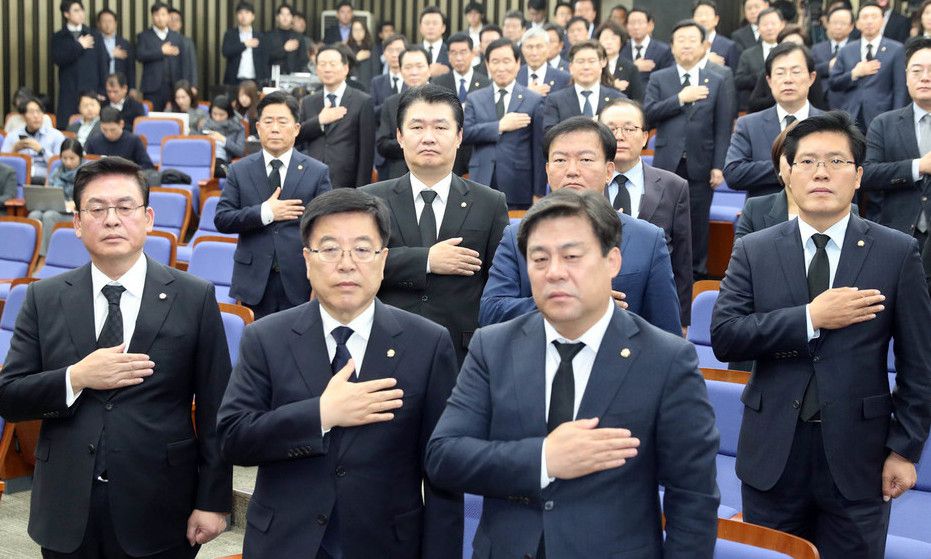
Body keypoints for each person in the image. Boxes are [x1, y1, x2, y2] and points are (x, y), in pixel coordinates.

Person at [427, 187, 719, 557]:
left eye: (572, 256)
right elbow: (444, 457)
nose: (555, 273)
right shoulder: (493, 346)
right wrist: (545, 459)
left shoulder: (666, 359)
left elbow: (693, 500)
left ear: (612, 261)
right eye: (539, 259)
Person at [711, 110, 931, 559]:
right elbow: (726, 336)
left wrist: (905, 449)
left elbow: (920, 364)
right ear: (786, 174)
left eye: (836, 162)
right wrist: (810, 317)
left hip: (860, 456)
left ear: (858, 176)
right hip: (773, 451)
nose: (821, 173)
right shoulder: (755, 248)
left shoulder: (896, 251)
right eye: (807, 162)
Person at [0, 156, 232, 558]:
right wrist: (76, 376)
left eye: (125, 207)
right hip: (66, 508)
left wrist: (214, 500)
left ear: (148, 218)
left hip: (160, 504)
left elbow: (217, 411)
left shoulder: (194, 297)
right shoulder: (44, 297)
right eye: (97, 208)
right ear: (76, 223)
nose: (111, 220)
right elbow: (10, 396)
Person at [217, 188, 462, 557]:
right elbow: (234, 438)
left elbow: (443, 469)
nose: (346, 264)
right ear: (307, 260)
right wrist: (320, 415)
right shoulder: (265, 336)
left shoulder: (427, 343)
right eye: (329, 249)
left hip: (386, 544)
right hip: (285, 543)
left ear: (382, 260)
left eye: (362, 249)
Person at [480, 116, 682, 335]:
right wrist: (560, 303)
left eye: (585, 160)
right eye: (560, 160)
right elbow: (491, 313)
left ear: (609, 171)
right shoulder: (516, 235)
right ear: (547, 170)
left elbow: (667, 332)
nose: (572, 170)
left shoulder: (647, 239)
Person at [363, 84, 509, 365]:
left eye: (440, 128)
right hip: (384, 345)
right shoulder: (369, 199)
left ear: (459, 137)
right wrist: (426, 260)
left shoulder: (490, 202)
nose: (428, 137)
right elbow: (360, 264)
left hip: (462, 352)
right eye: (417, 127)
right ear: (399, 137)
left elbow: (499, 283)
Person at [215, 91, 332, 319]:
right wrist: (265, 212)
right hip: (254, 279)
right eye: (268, 122)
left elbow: (326, 228)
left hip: (300, 277)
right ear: (258, 128)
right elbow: (223, 219)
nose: (275, 128)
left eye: (282, 121)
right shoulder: (239, 170)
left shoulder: (317, 171)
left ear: (296, 128)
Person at [644, 19, 735, 281]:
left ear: (704, 46)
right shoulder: (660, 78)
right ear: (671, 47)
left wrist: (719, 165)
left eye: (691, 40)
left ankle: (697, 276)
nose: (685, 45)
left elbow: (722, 128)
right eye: (680, 40)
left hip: (701, 164)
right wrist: (680, 99)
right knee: (661, 220)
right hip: (666, 164)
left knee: (697, 225)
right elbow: (648, 115)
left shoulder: (717, 80)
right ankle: (661, 274)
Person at [600, 99, 692, 333]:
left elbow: (682, 260)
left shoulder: (674, 186)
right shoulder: (582, 186)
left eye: (629, 129)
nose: (619, 136)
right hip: (594, 308)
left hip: (652, 309)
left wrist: (682, 320)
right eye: (611, 129)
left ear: (645, 137)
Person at [863, 37, 931, 288]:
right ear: (906, 76)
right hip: (897, 237)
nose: (925, 77)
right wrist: (918, 167)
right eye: (917, 70)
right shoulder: (884, 123)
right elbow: (867, 174)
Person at [725, 42, 824, 198]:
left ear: (811, 78)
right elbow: (733, 173)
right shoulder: (749, 125)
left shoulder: (831, 125)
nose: (788, 79)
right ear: (769, 81)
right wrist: (784, 167)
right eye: (780, 73)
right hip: (765, 219)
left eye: (796, 72)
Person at [463, 38, 546, 209]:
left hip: (519, 183)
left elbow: (539, 150)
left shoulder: (534, 100)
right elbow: (464, 133)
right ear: (487, 64)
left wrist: (538, 192)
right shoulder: (475, 98)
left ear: (517, 63)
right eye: (495, 61)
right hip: (481, 180)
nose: (501, 68)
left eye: (506, 61)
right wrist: (499, 126)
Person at [297, 45, 375, 189]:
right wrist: (319, 121)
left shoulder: (362, 101)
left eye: (332, 64)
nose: (327, 69)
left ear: (345, 68)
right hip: (311, 180)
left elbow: (366, 152)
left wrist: (362, 190)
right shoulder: (309, 101)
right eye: (322, 64)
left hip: (346, 182)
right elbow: (296, 136)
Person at [829, 1, 907, 133]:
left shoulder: (896, 49)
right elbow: (834, 83)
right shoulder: (847, 50)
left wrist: (897, 118)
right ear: (857, 23)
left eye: (874, 16)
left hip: (882, 115)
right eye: (865, 17)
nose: (869, 21)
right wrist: (854, 74)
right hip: (851, 116)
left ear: (882, 21)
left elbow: (900, 89)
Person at [431, 32, 491, 176]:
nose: (458, 58)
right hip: (448, 150)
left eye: (463, 52)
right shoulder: (438, 82)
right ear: (448, 56)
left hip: (476, 149)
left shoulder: (486, 83)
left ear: (472, 54)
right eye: (454, 53)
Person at [542, 40, 625, 132]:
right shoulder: (555, 100)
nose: (586, 67)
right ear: (571, 67)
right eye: (580, 61)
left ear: (603, 63)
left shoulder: (618, 99)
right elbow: (550, 134)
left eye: (591, 61)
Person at [376, 46, 431, 180]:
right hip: (398, 175)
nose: (414, 72)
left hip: (435, 173)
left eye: (419, 66)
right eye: (408, 67)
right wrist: (414, 141)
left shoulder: (445, 100)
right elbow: (382, 145)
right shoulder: (391, 103)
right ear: (400, 71)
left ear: (429, 69)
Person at [52, 1, 108, 130]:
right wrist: (79, 46)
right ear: (66, 14)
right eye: (76, 11)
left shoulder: (94, 34)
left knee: (93, 129)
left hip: (91, 92)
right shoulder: (59, 37)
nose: (81, 14)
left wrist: (101, 90)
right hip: (69, 92)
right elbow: (58, 59)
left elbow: (103, 62)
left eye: (82, 10)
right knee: (67, 128)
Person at [30, 138, 82, 255]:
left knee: (49, 216)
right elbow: (47, 192)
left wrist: (75, 203)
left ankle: (45, 256)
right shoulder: (57, 171)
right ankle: (31, 254)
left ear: (80, 157)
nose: (68, 162)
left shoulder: (86, 173)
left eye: (72, 158)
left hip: (75, 214)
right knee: (35, 214)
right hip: (55, 208)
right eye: (64, 158)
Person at [136, 2, 188, 112]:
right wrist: (161, 51)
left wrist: (184, 84)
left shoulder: (177, 37)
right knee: (153, 117)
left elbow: (183, 62)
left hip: (174, 87)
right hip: (152, 88)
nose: (160, 18)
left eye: (163, 15)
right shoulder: (144, 36)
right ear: (152, 17)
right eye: (156, 15)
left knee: (174, 116)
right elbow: (140, 55)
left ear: (169, 16)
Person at [1, 97, 66, 184]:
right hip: (18, 178)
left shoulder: (56, 136)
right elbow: (2, 163)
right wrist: (14, 150)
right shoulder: (13, 135)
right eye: (31, 112)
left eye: (39, 112)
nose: (36, 116)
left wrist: (41, 150)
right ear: (23, 116)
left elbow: (60, 164)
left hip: (46, 178)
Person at [736, 7, 785, 112]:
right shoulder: (748, 54)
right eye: (765, 24)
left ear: (782, 25)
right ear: (758, 28)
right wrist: (762, 76)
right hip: (756, 108)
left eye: (773, 23)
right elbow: (739, 81)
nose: (769, 28)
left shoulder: (789, 52)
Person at [811, 5, 855, 104]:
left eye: (843, 23)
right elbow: (811, 69)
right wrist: (829, 66)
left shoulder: (856, 47)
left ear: (851, 26)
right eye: (835, 22)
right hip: (821, 100)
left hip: (847, 99)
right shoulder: (817, 48)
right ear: (828, 24)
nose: (838, 26)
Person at [85, 107, 154, 169]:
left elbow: (147, 165)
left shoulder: (133, 140)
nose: (109, 134)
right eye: (104, 129)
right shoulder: (93, 141)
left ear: (121, 124)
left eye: (113, 130)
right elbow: (88, 166)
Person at [596, 21, 645, 102]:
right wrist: (613, 86)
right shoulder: (592, 65)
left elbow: (638, 99)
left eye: (613, 38)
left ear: (621, 42)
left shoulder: (630, 68)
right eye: (605, 38)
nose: (609, 42)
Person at [622, 8, 674, 84]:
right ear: (626, 26)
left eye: (640, 22)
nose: (636, 27)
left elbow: (667, 78)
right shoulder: (621, 49)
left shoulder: (663, 50)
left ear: (650, 25)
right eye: (632, 23)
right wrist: (634, 67)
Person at [222, 1, 268, 86]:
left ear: (253, 16)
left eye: (247, 13)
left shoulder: (259, 36)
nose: (243, 16)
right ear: (236, 15)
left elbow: (264, 60)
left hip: (255, 80)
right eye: (240, 13)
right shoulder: (230, 34)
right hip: (235, 80)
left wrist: (265, 80)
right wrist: (245, 44)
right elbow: (225, 52)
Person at [200, 95, 245, 178]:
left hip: (222, 160)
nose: (217, 118)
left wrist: (223, 140)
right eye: (214, 114)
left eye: (221, 115)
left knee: (215, 168)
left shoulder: (237, 127)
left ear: (229, 113)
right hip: (203, 158)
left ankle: (227, 171)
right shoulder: (205, 124)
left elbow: (240, 151)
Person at [519, 27, 572, 96]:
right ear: (522, 49)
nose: (534, 53)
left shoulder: (564, 78)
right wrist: (528, 94)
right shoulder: (514, 75)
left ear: (547, 48)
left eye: (539, 47)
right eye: (529, 47)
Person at [369, 33, 407, 121]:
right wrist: (391, 104)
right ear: (384, 54)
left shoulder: (413, 80)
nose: (394, 55)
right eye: (390, 50)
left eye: (399, 50)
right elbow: (371, 111)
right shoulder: (376, 82)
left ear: (406, 52)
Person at [96, 8, 135, 92]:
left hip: (120, 86)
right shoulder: (94, 43)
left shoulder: (124, 44)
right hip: (100, 86)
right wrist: (111, 54)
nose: (107, 24)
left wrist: (132, 88)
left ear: (115, 23)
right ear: (98, 24)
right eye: (104, 21)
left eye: (110, 21)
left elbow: (131, 68)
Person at [694, 0, 741, 69]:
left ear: (716, 20)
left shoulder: (728, 46)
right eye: (699, 14)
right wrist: (705, 60)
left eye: (707, 14)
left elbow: (732, 75)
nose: (703, 19)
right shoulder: (685, 44)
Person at [266, 4, 309, 75]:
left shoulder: (298, 37)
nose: (285, 17)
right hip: (274, 77)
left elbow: (303, 60)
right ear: (277, 17)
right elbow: (266, 57)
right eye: (282, 14)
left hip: (294, 78)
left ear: (292, 18)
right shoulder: (269, 36)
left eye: (288, 15)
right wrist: (284, 49)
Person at [167, 8, 198, 91]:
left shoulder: (187, 41)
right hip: (164, 86)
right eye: (171, 19)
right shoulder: (160, 41)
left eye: (177, 20)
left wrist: (194, 85)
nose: (174, 22)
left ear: (181, 24)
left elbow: (192, 64)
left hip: (183, 85)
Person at [347, 20, 380, 90]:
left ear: (365, 31)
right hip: (350, 87)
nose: (358, 32)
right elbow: (344, 70)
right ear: (351, 32)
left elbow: (376, 71)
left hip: (368, 87)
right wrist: (356, 59)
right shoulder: (347, 48)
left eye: (361, 29)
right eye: (355, 30)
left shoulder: (372, 47)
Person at [420, 6, 450, 77]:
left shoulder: (451, 51)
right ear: (420, 28)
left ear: (443, 28)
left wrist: (448, 71)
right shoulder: (412, 53)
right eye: (427, 23)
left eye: (435, 23)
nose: (430, 27)